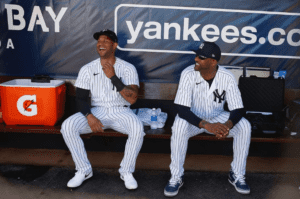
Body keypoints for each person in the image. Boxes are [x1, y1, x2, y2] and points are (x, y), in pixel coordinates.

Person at [164, 42, 251, 197]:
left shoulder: (227, 76)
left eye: (201, 57)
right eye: (196, 55)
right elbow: (182, 109)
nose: (196, 59)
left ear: (213, 62)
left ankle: (236, 174)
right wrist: (206, 125)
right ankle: (176, 176)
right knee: (178, 127)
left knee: (244, 126)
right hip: (193, 117)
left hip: (217, 116)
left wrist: (227, 125)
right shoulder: (188, 73)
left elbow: (238, 108)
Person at [61, 29, 144, 190]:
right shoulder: (87, 68)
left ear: (114, 45)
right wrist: (89, 116)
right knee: (68, 126)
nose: (101, 44)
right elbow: (81, 98)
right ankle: (83, 170)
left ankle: (126, 171)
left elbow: (132, 98)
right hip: (96, 111)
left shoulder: (127, 68)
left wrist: (113, 77)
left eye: (106, 41)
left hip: (121, 111)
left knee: (137, 128)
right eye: (99, 41)